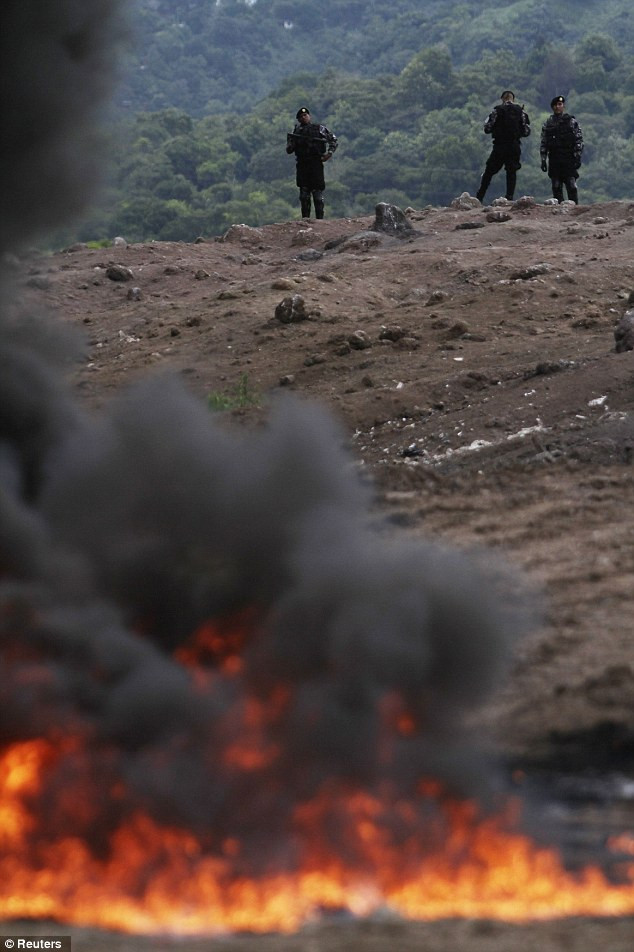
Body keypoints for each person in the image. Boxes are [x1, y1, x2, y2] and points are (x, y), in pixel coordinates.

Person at [476, 91, 531, 203]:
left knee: (489, 171)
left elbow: (487, 128)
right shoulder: (521, 112)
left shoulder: (497, 110)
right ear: (513, 99)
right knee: (511, 172)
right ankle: (509, 198)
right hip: (514, 146)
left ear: (502, 99)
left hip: (500, 146)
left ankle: (479, 197)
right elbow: (526, 132)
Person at [286, 106, 338, 219]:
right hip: (302, 164)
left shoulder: (319, 128)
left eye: (305, 115)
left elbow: (333, 140)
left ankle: (319, 221)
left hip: (316, 163)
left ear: (309, 116)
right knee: (304, 196)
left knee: (317, 195)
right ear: (298, 119)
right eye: (301, 116)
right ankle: (306, 220)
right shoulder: (296, 132)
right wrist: (291, 142)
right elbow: (289, 150)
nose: (304, 117)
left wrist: (329, 153)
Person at [540, 95, 584, 204]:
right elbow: (544, 142)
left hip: (568, 157)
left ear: (563, 106)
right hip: (554, 158)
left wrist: (578, 156)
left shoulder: (571, 121)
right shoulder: (548, 123)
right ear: (552, 107)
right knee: (556, 186)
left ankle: (574, 208)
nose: (557, 107)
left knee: (571, 185)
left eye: (560, 104)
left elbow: (579, 140)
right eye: (555, 105)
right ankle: (559, 209)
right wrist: (543, 159)